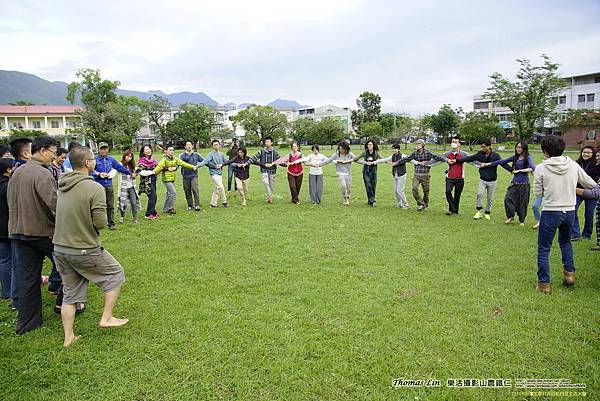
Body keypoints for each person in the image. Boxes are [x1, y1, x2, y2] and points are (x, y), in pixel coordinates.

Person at [53, 146, 128, 347]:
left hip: (60, 248)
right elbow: (101, 222)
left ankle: (68, 337)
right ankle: (107, 317)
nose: (94, 161)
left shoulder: (61, 184)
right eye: (93, 158)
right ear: (87, 163)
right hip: (83, 248)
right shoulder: (94, 188)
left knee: (70, 292)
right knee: (115, 274)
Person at [8, 136, 62, 334]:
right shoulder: (42, 173)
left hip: (18, 231)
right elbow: (54, 203)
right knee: (70, 265)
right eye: (53, 153)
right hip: (41, 232)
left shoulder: (17, 171)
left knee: (28, 278)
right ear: (42, 151)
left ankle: (28, 323)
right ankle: (65, 304)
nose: (54, 157)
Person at [533, 136, 597, 294]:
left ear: (545, 150)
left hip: (550, 211)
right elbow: (591, 183)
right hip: (569, 210)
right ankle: (569, 275)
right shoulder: (574, 165)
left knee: (544, 248)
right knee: (565, 242)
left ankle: (544, 284)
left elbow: (538, 192)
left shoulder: (541, 168)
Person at [483, 141, 536, 226]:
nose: (518, 149)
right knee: (507, 198)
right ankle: (510, 216)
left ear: (524, 148)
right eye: (517, 147)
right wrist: (490, 164)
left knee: (522, 203)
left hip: (524, 184)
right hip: (514, 183)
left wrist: (519, 170)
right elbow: (502, 161)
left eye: (520, 147)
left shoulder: (528, 157)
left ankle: (521, 220)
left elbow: (533, 168)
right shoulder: (515, 157)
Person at [453, 138, 501, 219]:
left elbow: (503, 163)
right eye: (481, 147)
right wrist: (457, 160)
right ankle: (479, 212)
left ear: (488, 146)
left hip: (492, 181)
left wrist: (511, 170)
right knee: (479, 194)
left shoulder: (495, 156)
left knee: (490, 198)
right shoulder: (480, 154)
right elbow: (469, 158)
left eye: (483, 147)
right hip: (483, 179)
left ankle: (487, 213)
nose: (482, 148)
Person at [426, 135, 471, 215]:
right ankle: (452, 209)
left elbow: (472, 160)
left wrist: (482, 164)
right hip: (449, 177)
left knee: (457, 195)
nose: (454, 144)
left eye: (455, 142)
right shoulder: (447, 154)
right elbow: (438, 159)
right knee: (447, 192)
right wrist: (426, 163)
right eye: (453, 142)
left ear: (459, 144)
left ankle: (454, 211)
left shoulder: (464, 154)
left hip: (460, 178)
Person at [93, 142, 132, 230]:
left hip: (109, 185)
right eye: (101, 149)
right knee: (99, 205)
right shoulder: (95, 160)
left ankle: (111, 223)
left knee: (110, 204)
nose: (103, 150)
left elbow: (120, 168)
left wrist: (130, 173)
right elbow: (90, 170)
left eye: (105, 149)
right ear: (98, 150)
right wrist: (98, 174)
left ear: (108, 149)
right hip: (98, 186)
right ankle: (97, 223)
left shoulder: (111, 160)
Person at [153, 144, 198, 215]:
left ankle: (165, 209)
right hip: (166, 179)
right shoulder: (164, 159)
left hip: (172, 179)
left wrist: (192, 167)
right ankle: (170, 208)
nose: (172, 151)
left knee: (169, 194)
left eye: (173, 150)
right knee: (173, 192)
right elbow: (159, 166)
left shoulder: (175, 159)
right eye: (170, 150)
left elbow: (183, 163)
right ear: (166, 151)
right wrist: (154, 172)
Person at [407, 139, 450, 211]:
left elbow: (437, 157)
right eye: (416, 144)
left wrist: (446, 160)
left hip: (425, 175)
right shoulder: (414, 153)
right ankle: (421, 203)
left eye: (419, 144)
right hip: (416, 175)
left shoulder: (427, 152)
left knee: (426, 192)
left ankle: (425, 204)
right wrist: (398, 162)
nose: (417, 145)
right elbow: (407, 158)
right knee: (414, 188)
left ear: (422, 145)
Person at [571, 146, 600, 241]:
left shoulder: (596, 165)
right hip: (578, 190)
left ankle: (587, 234)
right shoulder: (576, 164)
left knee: (589, 214)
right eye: (584, 152)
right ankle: (575, 233)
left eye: (589, 153)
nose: (586, 154)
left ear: (593, 154)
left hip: (591, 192)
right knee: (573, 210)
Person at [374, 143, 413, 208]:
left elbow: (411, 160)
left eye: (395, 149)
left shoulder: (403, 156)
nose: (394, 150)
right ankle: (399, 203)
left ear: (398, 149)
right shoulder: (393, 156)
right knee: (395, 190)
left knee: (400, 190)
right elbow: (384, 160)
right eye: (393, 149)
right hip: (395, 175)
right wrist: (374, 162)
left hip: (402, 175)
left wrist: (418, 163)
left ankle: (406, 204)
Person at [316, 141, 355, 206]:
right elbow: (329, 160)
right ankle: (345, 199)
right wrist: (319, 164)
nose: (341, 150)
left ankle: (347, 196)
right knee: (343, 186)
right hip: (340, 173)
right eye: (339, 148)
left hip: (348, 173)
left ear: (346, 149)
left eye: (342, 149)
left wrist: (350, 161)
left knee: (348, 188)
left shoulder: (350, 154)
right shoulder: (336, 154)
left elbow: (356, 159)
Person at [248, 136, 280, 203]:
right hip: (264, 170)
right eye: (266, 141)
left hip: (272, 171)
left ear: (271, 142)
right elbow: (254, 158)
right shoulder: (261, 151)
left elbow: (279, 160)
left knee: (272, 185)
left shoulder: (275, 152)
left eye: (268, 141)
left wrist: (287, 164)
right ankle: (270, 197)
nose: (267, 143)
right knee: (266, 183)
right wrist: (246, 163)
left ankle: (269, 197)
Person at [353, 140, 382, 207]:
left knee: (373, 185)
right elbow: (355, 159)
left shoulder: (376, 153)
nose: (369, 146)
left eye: (371, 144)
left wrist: (374, 162)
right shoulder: (365, 152)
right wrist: (365, 162)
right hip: (366, 171)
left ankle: (370, 200)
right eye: (368, 144)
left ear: (373, 145)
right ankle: (373, 201)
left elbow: (381, 159)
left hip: (374, 170)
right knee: (368, 185)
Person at [0, 158, 14, 301]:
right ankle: (11, 291)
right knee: (13, 260)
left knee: (4, 259)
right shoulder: (8, 186)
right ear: (8, 170)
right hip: (8, 227)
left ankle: (6, 291)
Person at [118, 150, 141, 224]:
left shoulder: (132, 165)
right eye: (127, 156)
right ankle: (122, 217)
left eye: (130, 156)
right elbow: (119, 170)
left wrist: (135, 174)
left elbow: (134, 174)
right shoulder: (120, 164)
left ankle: (135, 219)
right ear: (124, 156)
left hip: (131, 186)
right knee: (123, 203)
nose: (129, 158)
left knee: (134, 203)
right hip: (123, 187)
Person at [179, 140, 204, 211]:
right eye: (187, 145)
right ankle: (190, 205)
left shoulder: (196, 155)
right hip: (185, 176)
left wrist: (198, 166)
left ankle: (197, 205)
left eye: (190, 145)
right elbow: (179, 163)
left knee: (195, 189)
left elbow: (204, 161)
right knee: (187, 191)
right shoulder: (182, 155)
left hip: (194, 175)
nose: (189, 146)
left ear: (192, 146)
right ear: (185, 147)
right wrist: (174, 168)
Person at [136, 145, 159, 220]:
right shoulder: (142, 160)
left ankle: (153, 212)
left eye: (149, 149)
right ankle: (148, 214)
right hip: (146, 182)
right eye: (146, 150)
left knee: (152, 196)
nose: (148, 150)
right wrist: (152, 172)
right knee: (153, 196)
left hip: (153, 180)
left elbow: (157, 168)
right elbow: (141, 172)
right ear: (143, 152)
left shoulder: (152, 159)